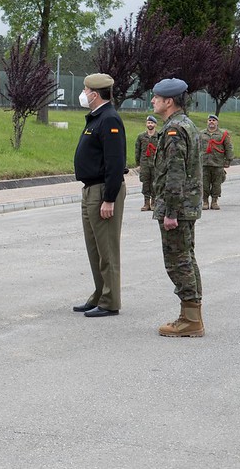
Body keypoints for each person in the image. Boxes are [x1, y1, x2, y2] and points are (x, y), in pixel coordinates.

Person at [151, 78, 204, 337]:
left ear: (168, 101)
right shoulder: (187, 125)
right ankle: (192, 315)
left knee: (178, 261)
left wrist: (170, 212)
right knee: (187, 258)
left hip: (178, 208)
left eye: (156, 97)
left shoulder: (174, 129)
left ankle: (190, 320)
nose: (153, 101)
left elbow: (175, 172)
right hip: (187, 205)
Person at [72, 73, 127, 318]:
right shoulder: (97, 118)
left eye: (85, 90)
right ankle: (99, 293)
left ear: (95, 94)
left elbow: (116, 162)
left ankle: (110, 301)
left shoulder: (109, 119)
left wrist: (109, 198)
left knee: (107, 249)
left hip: (103, 190)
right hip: (90, 189)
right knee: (94, 249)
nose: (83, 94)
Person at [199, 113, 233, 210]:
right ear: (207, 122)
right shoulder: (201, 134)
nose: (211, 122)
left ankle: (214, 201)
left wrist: (228, 160)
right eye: (210, 120)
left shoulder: (223, 134)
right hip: (204, 163)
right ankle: (205, 201)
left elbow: (228, 147)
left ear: (217, 122)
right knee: (204, 184)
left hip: (217, 163)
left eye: (213, 120)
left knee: (217, 184)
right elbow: (196, 148)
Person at [134, 115, 158, 211]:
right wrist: (138, 164)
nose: (150, 124)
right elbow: (137, 150)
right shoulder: (141, 137)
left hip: (155, 164)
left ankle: (154, 203)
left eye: (152, 123)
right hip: (144, 164)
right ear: (146, 124)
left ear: (155, 124)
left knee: (155, 183)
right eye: (148, 123)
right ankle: (146, 203)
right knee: (145, 183)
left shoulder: (159, 136)